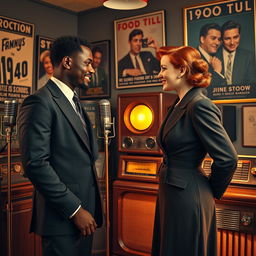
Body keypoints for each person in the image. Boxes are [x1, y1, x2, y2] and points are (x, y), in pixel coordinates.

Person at [18, 36, 103, 256]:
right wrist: (75, 210)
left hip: (86, 217)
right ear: (67, 62)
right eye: (87, 63)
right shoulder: (39, 102)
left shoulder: (74, 102)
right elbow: (35, 164)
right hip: (63, 218)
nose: (92, 69)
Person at [151, 46, 238, 256]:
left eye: (164, 69)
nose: (160, 74)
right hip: (172, 194)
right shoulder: (179, 103)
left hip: (188, 197)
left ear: (181, 71)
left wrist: (210, 190)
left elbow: (227, 158)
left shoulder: (199, 105)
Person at [219, 20, 256, 85]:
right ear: (221, 39)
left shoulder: (249, 56)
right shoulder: (212, 56)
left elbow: (252, 85)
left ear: (240, 36)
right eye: (227, 38)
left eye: (235, 37)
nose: (232, 42)